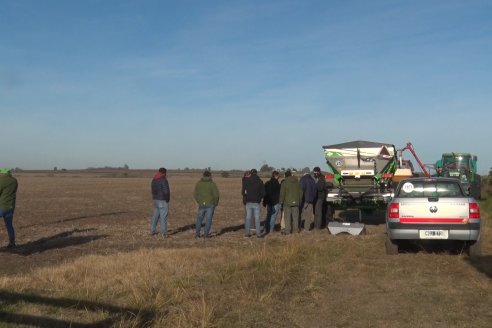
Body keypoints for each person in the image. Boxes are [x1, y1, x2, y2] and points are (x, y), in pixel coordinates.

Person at [194, 171, 220, 238]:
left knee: (199, 219)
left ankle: (197, 235)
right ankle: (206, 235)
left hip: (201, 205)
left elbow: (195, 194)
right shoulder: (212, 184)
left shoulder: (198, 183)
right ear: (209, 176)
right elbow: (216, 195)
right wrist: (215, 203)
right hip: (210, 205)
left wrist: (199, 201)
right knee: (208, 220)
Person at [242, 168, 265, 238]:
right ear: (257, 173)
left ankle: (247, 234)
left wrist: (246, 196)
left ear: (251, 173)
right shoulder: (260, 181)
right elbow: (263, 193)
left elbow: (243, 192)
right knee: (257, 218)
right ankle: (258, 234)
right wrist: (259, 197)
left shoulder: (246, 181)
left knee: (248, 218)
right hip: (256, 202)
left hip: (248, 201)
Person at [279, 170, 302, 235]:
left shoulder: (284, 183)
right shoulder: (297, 182)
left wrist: (281, 201)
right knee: (295, 217)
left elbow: (282, 193)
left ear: (285, 175)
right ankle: (296, 231)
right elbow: (301, 192)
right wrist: (299, 201)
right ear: (291, 175)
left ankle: (287, 231)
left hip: (287, 203)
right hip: (296, 202)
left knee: (287, 217)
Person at [0, 168, 18, 249]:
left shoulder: (1, 180)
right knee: (9, 225)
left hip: (2, 206)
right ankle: (12, 243)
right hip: (11, 207)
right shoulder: (14, 181)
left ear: (3, 173)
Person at [150, 167, 170, 237]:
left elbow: (152, 189)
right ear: (164, 173)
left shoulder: (154, 179)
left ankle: (152, 230)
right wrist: (167, 199)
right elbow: (166, 191)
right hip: (162, 200)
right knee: (163, 216)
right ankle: (163, 233)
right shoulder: (163, 179)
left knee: (155, 216)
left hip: (155, 200)